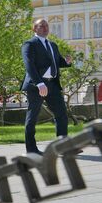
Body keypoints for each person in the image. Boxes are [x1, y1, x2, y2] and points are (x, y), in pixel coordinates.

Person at [21, 19, 72, 155]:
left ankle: (62, 147)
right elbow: (29, 65)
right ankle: (31, 149)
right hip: (37, 85)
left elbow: (57, 62)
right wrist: (39, 83)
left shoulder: (52, 45)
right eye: (41, 26)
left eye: (46, 26)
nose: (45, 28)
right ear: (34, 29)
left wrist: (66, 62)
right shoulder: (30, 44)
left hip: (53, 84)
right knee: (33, 117)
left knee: (61, 114)